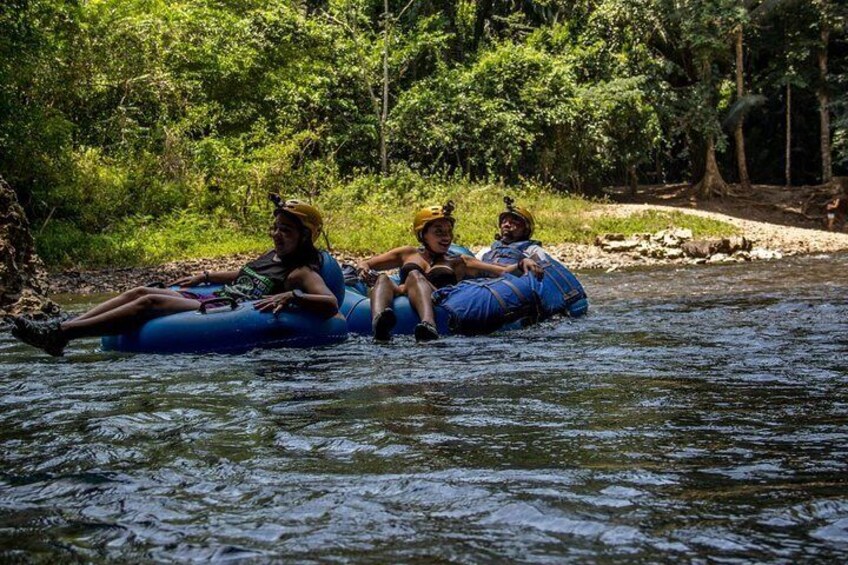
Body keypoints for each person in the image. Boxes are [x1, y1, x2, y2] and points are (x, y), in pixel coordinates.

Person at [11, 196, 339, 356]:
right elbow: (245, 274)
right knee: (141, 290)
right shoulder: (274, 256)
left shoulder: (300, 272)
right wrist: (207, 275)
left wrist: (292, 296)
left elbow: (328, 303)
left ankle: (61, 333)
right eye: (275, 227)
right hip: (215, 296)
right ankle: (62, 329)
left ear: (306, 236)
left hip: (228, 308)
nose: (276, 235)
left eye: (285, 230)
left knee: (151, 300)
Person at [355, 201, 537, 342]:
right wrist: (363, 269)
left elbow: (502, 271)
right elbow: (367, 263)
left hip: (438, 299)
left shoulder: (459, 261)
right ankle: (379, 323)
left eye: (449, 232)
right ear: (423, 234)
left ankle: (428, 325)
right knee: (383, 279)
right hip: (401, 291)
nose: (446, 237)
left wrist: (522, 263)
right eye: (439, 231)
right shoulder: (406, 253)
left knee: (414, 275)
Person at [476, 196, 548, 269]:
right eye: (504, 222)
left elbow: (542, 269)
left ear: (525, 230)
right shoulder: (488, 250)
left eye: (513, 222)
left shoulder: (532, 250)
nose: (507, 225)